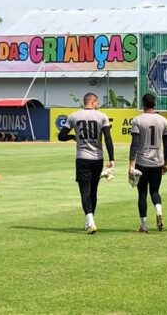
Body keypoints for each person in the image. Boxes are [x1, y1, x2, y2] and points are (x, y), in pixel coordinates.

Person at [58, 92, 114, 235]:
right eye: (97, 103)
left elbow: (61, 136)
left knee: (84, 190)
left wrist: (72, 136)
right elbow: (108, 138)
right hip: (98, 158)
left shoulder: (74, 116)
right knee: (93, 190)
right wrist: (111, 158)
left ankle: (90, 221)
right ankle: (90, 221)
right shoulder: (102, 116)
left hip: (82, 158)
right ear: (93, 102)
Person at [129, 93, 167, 233]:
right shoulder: (163, 120)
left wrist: (131, 164)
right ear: (155, 104)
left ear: (143, 104)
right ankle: (159, 211)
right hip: (157, 161)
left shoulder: (137, 120)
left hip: (142, 162)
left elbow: (134, 144)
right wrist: (166, 163)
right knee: (155, 191)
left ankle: (144, 226)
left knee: (142, 193)